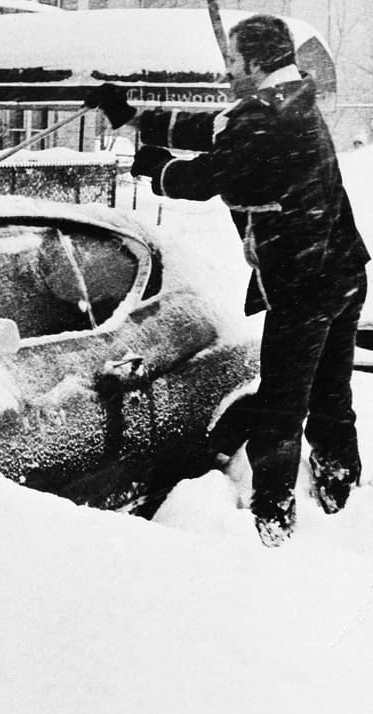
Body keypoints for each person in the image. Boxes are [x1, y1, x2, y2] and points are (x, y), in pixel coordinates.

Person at [83, 14, 369, 547]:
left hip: (306, 283)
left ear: (255, 62)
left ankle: (273, 521)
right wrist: (133, 118)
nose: (227, 71)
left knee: (281, 406)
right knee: (331, 391)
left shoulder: (266, 117)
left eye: (233, 61)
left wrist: (151, 164)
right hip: (343, 272)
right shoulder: (288, 99)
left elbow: (204, 178)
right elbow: (215, 127)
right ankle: (338, 489)